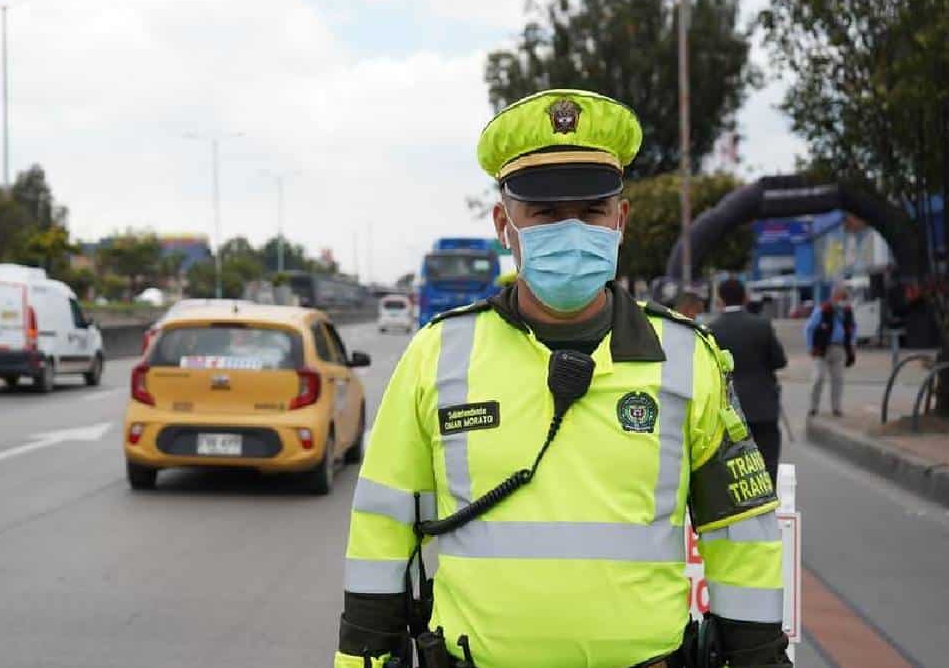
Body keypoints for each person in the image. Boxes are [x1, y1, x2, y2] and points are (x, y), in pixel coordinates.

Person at [334, 89, 789, 668]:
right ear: (506, 224)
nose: (572, 230)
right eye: (545, 213)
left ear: (620, 220)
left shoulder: (687, 357)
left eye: (593, 211)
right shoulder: (436, 355)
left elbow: (740, 538)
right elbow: (380, 529)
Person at [708, 279, 788, 484]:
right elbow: (779, 361)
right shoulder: (762, 325)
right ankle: (768, 506)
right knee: (767, 463)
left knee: (733, 467)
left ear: (720, 299)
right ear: (745, 297)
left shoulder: (711, 330)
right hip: (763, 408)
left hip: (728, 412)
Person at [805, 286, 856, 417]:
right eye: (842, 298)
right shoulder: (822, 310)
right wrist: (810, 347)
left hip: (839, 348)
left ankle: (836, 407)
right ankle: (813, 406)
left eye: (845, 298)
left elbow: (853, 328)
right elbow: (809, 328)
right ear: (834, 297)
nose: (844, 301)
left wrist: (852, 345)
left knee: (838, 379)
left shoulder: (847, 311)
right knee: (818, 378)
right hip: (822, 348)